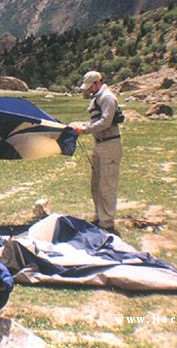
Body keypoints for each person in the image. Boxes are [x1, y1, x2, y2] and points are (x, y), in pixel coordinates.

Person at [70, 71, 123, 235]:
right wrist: (80, 125)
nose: (88, 90)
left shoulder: (107, 98)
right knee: (96, 184)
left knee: (107, 185)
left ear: (97, 83)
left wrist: (84, 129)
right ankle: (99, 216)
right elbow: (95, 121)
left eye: (90, 87)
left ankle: (107, 223)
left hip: (110, 144)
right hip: (99, 144)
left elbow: (106, 121)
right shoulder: (97, 98)